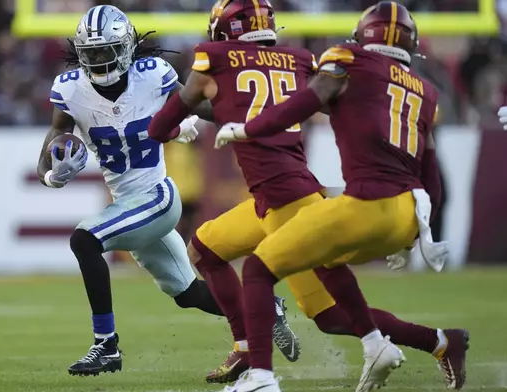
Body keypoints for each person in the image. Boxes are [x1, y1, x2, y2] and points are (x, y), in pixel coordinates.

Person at [150, 1, 467, 391]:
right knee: (204, 249)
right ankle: (246, 346)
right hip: (274, 195)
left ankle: (438, 341)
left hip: (290, 201)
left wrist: (168, 124)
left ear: (225, 29)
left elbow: (169, 122)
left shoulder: (214, 58)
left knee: (330, 314)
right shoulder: (300, 60)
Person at [35, 5, 295, 377]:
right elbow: (51, 143)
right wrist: (51, 176)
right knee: (189, 294)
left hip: (158, 197)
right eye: (90, 53)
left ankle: (105, 345)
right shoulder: (70, 88)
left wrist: (235, 118)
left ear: (124, 48)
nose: (97, 60)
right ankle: (266, 309)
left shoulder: (153, 74)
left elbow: (200, 104)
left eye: (105, 51)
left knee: (85, 240)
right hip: (129, 204)